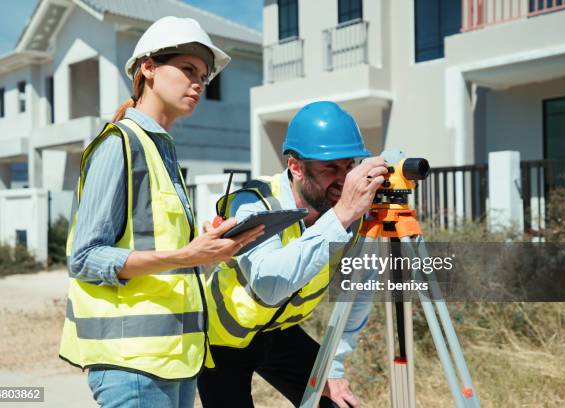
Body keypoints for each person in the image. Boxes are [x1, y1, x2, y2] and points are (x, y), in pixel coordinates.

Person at [58, 16, 263, 408]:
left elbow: (159, 253)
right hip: (131, 366)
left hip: (175, 361)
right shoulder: (119, 145)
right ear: (148, 67)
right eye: (188, 69)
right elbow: (84, 258)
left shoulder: (161, 150)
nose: (199, 83)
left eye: (204, 75)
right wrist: (187, 255)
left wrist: (205, 247)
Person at [197, 101, 388, 408]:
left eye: (349, 166)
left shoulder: (352, 219)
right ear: (296, 167)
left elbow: (360, 293)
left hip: (280, 333)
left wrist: (334, 365)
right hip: (222, 340)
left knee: (338, 405)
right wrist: (339, 217)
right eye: (330, 168)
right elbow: (269, 284)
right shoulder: (254, 203)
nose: (344, 180)